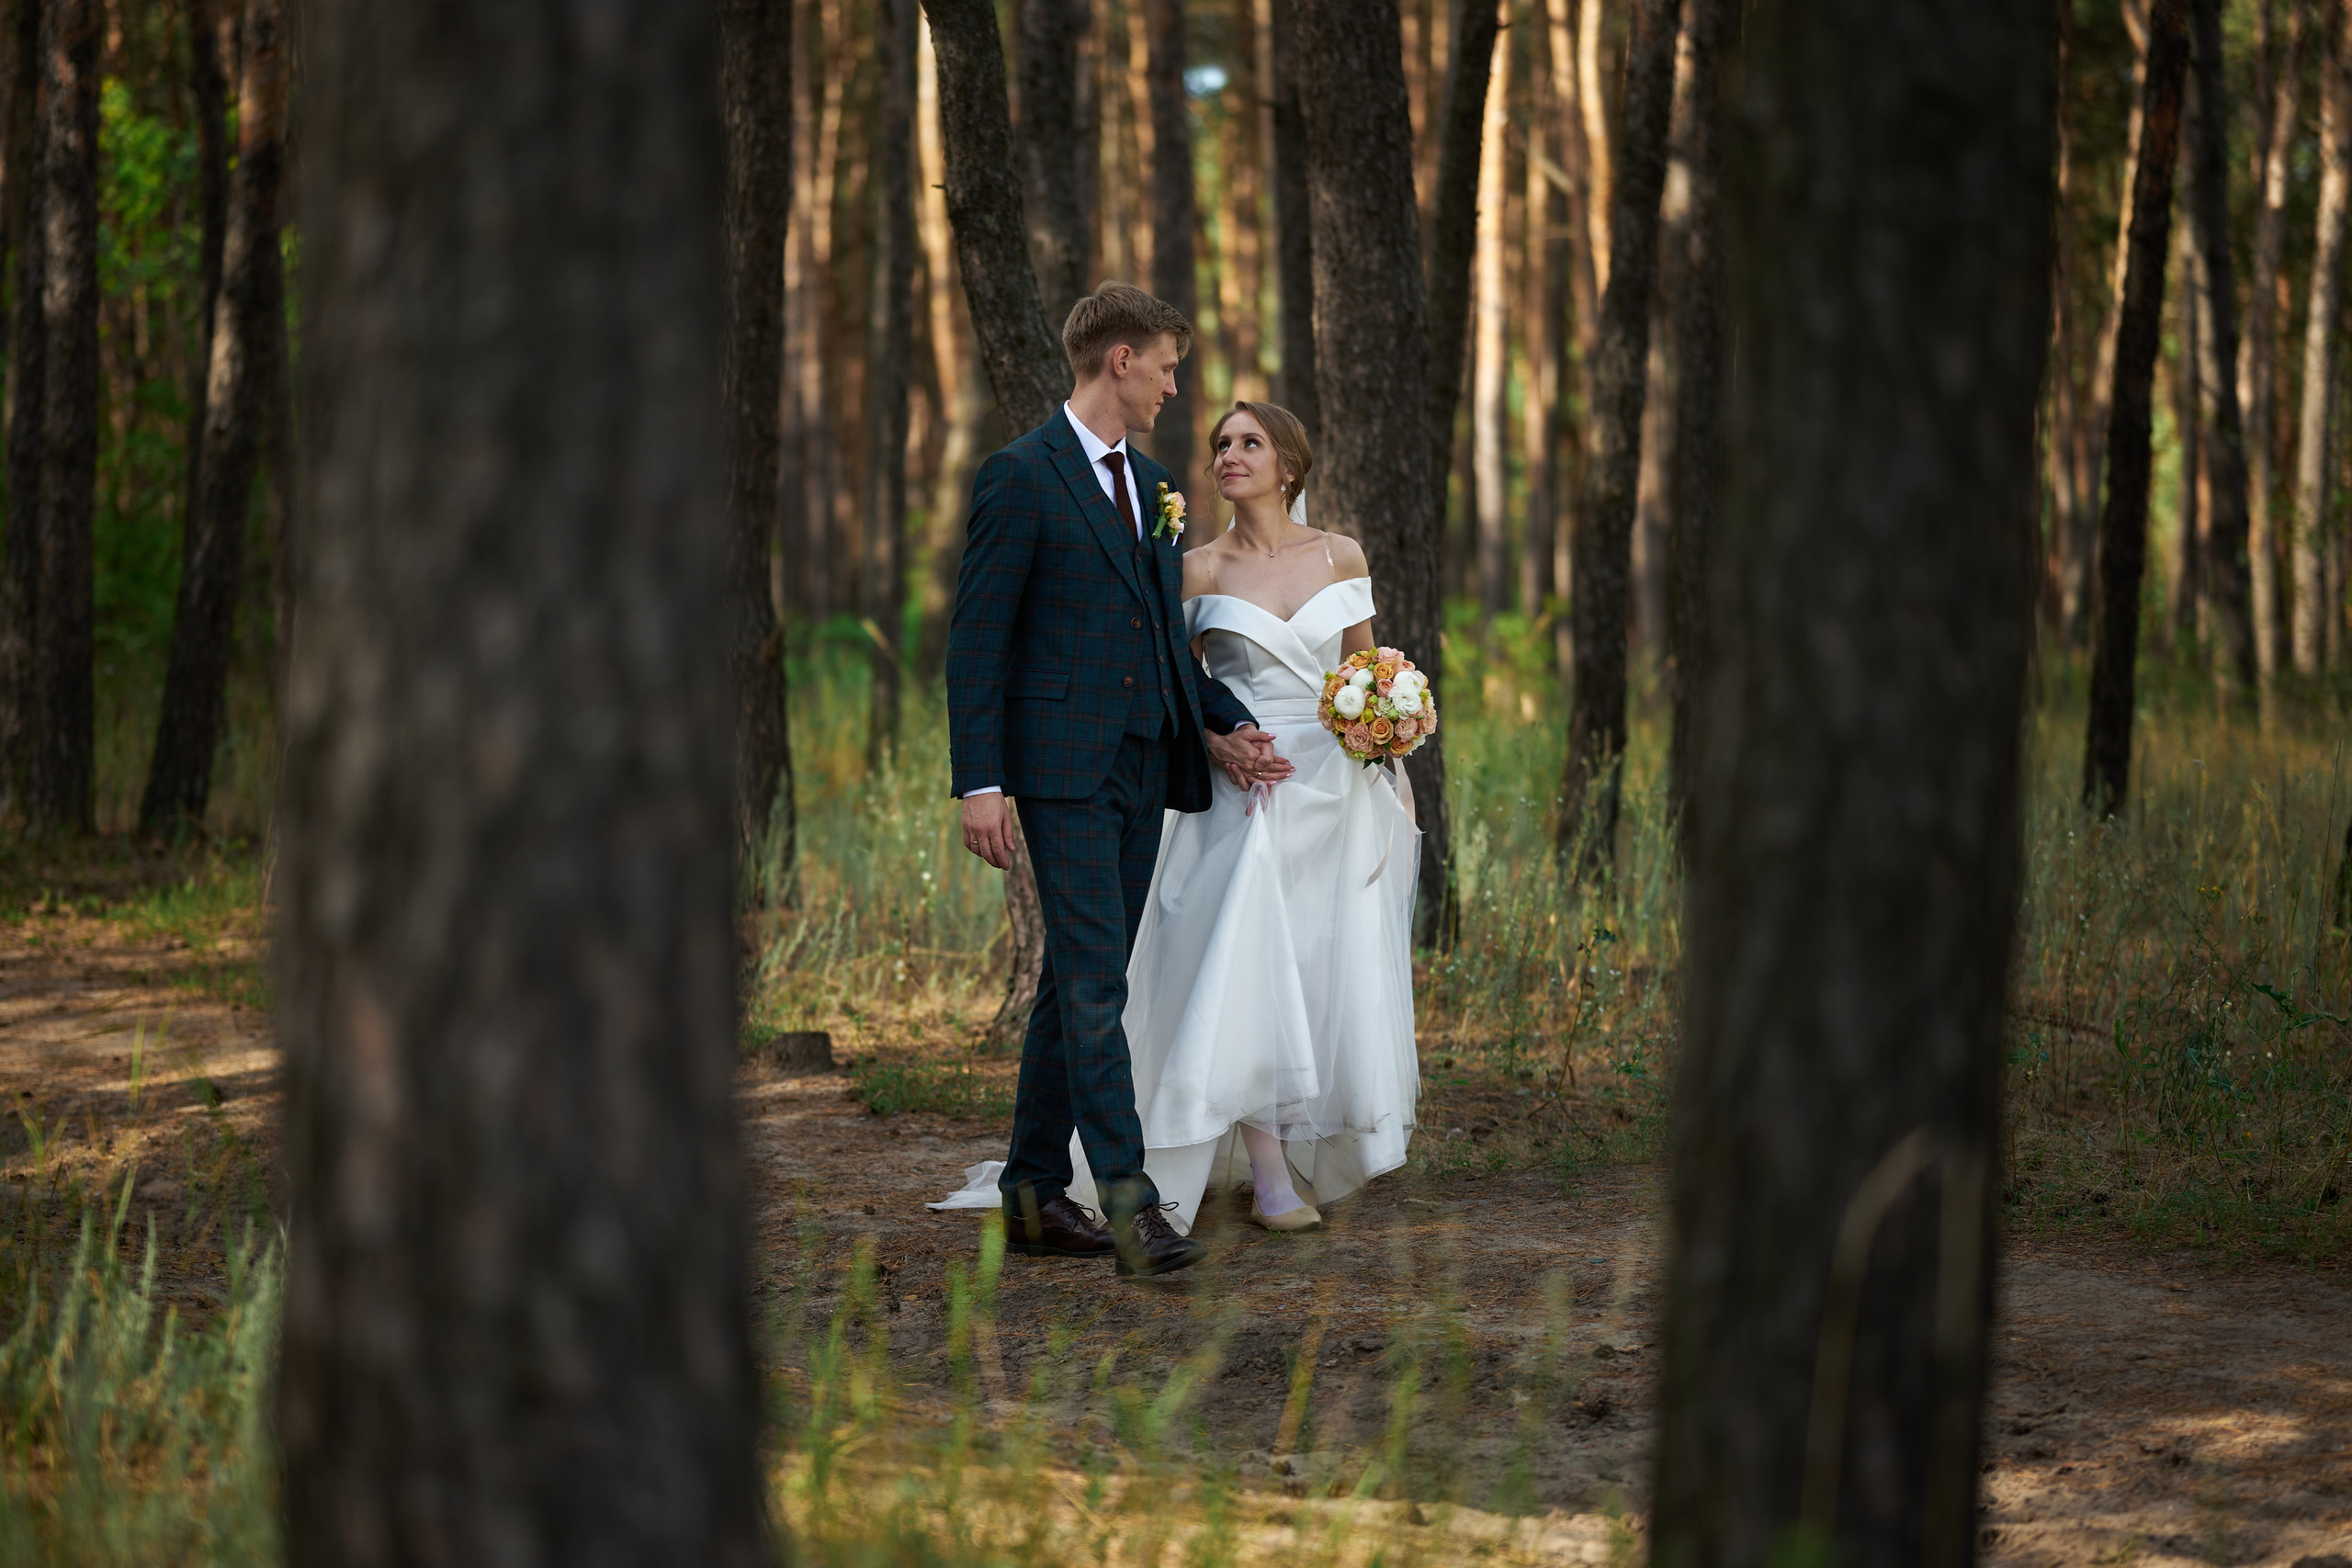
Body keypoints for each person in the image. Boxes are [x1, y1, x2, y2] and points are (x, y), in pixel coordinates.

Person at [940, 283, 1292, 1279]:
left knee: (1077, 980)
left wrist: (1227, 722)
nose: (1176, 389)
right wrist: (979, 781)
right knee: (1096, 982)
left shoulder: (1153, 484)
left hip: (1147, 761)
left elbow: (1168, 643)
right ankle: (1134, 1207)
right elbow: (979, 643)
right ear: (1120, 362)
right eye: (1169, 367)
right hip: (1059, 771)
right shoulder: (1019, 475)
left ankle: (1030, 1189)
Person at [1120, 401, 1419, 1233]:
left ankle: (1302, 1140)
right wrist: (1222, 747)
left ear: (1288, 463)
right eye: (1221, 444)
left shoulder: (1339, 554)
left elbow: (1371, 666)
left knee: (1320, 960)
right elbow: (1181, 689)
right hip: (1247, 783)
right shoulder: (1199, 568)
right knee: (1248, 957)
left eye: (1248, 442)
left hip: (1335, 781)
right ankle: (1268, 1172)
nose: (1228, 455)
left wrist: (1389, 754)